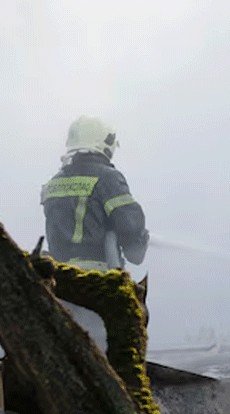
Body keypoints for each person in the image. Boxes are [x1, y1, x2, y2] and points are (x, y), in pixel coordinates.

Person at [41, 116, 150, 350]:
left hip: (60, 284)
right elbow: (131, 233)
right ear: (104, 144)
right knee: (108, 349)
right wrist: (140, 241)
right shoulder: (107, 178)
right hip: (98, 284)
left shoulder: (54, 182)